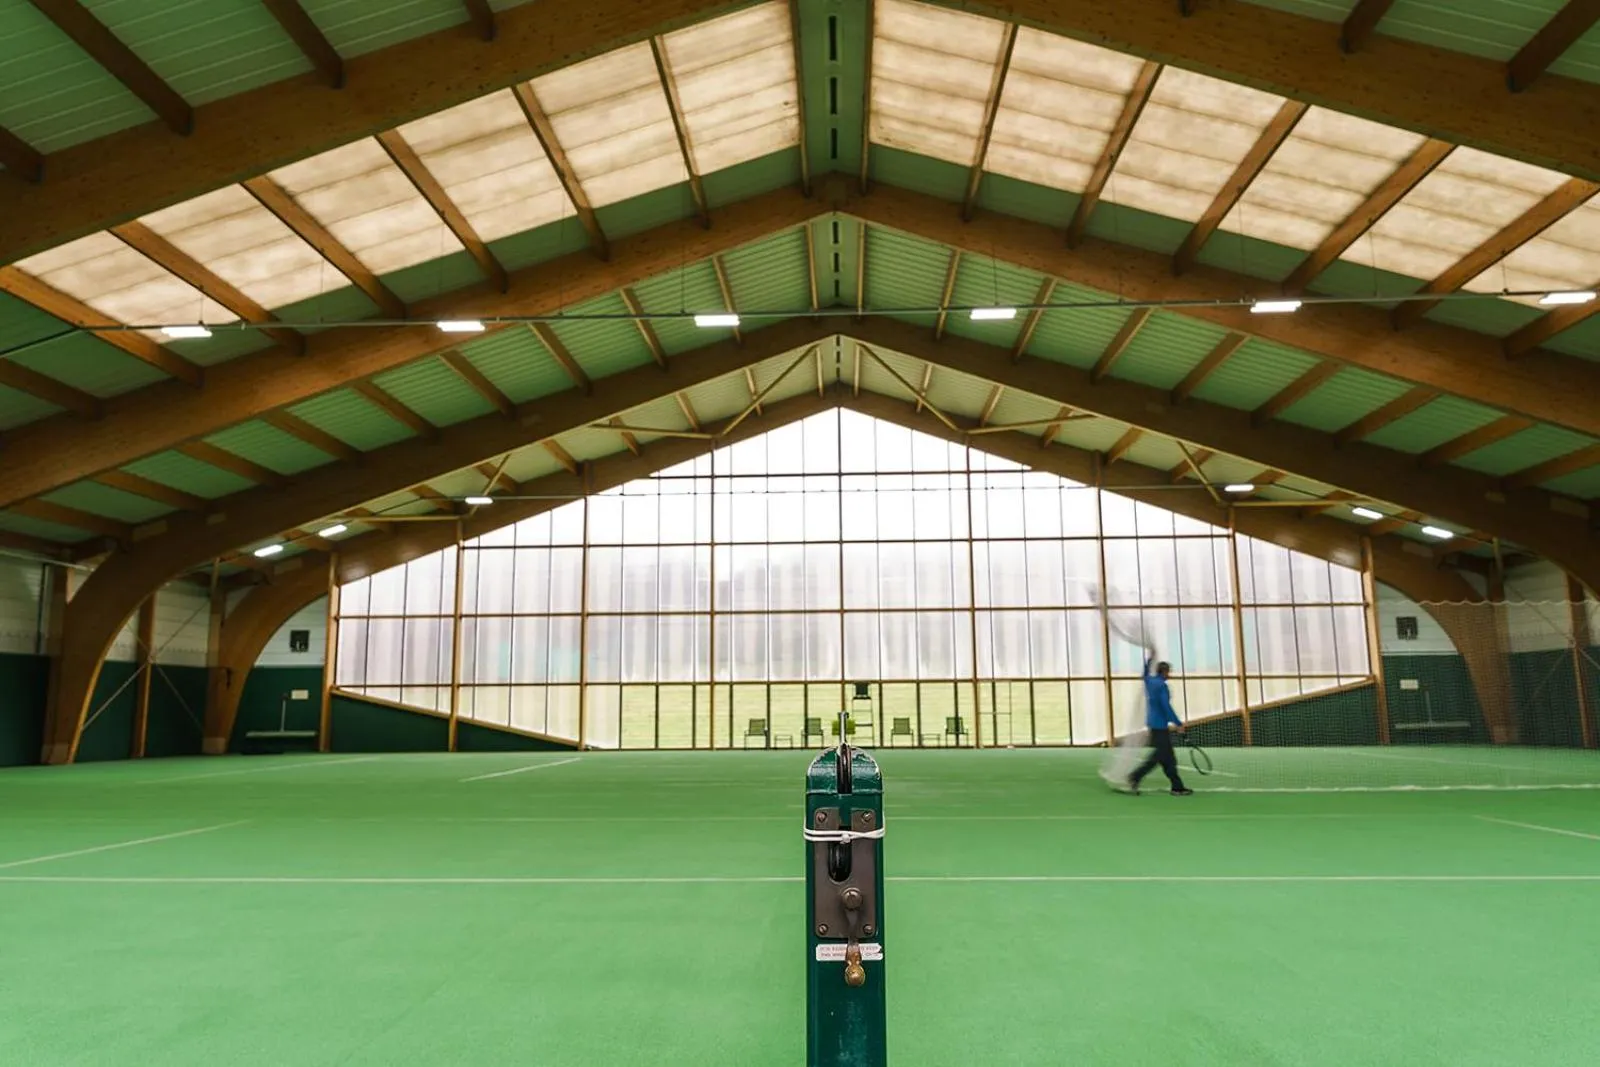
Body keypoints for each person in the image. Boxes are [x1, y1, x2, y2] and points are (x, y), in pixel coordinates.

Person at [1126, 650, 1193, 796]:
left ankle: (1177, 786)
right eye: (1169, 671)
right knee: (1158, 756)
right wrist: (1178, 723)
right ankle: (1134, 777)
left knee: (1168, 758)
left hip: (1152, 724)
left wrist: (1149, 659)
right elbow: (1165, 706)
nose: (1170, 674)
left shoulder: (1150, 682)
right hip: (1160, 726)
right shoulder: (1162, 686)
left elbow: (1144, 674)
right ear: (1164, 672)